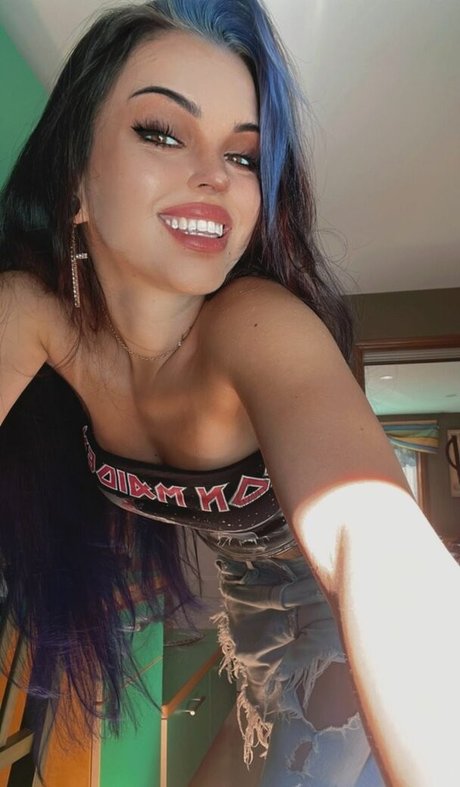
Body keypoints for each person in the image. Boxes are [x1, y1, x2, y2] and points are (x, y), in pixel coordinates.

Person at [1, 1, 459, 785]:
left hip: (345, 639)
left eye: (244, 155)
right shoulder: (37, 316)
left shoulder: (256, 326)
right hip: (248, 627)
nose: (216, 175)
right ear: (74, 175)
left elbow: (373, 540)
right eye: (161, 132)